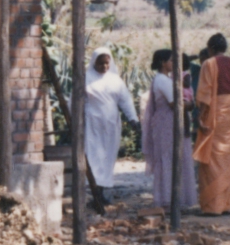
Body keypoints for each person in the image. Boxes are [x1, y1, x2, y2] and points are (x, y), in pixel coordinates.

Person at [193, 33, 230, 215]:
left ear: (211, 49)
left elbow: (205, 95)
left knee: (211, 161)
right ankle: (228, 204)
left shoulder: (209, 64)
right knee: (228, 160)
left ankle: (213, 206)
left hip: (215, 116)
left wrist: (199, 118)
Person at [84, 47, 137, 215]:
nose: (104, 67)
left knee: (107, 157)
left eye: (107, 63)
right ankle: (95, 193)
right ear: (94, 62)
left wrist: (133, 119)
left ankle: (102, 193)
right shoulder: (86, 78)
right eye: (101, 63)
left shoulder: (115, 80)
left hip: (111, 124)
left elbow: (126, 101)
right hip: (92, 123)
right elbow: (75, 100)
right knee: (93, 157)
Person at [143, 49, 197, 210]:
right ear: (162, 62)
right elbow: (175, 103)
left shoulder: (167, 79)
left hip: (170, 124)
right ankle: (167, 199)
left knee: (174, 158)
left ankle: (176, 198)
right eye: (171, 60)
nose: (174, 64)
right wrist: (191, 104)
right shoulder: (162, 80)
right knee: (168, 159)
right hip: (167, 125)